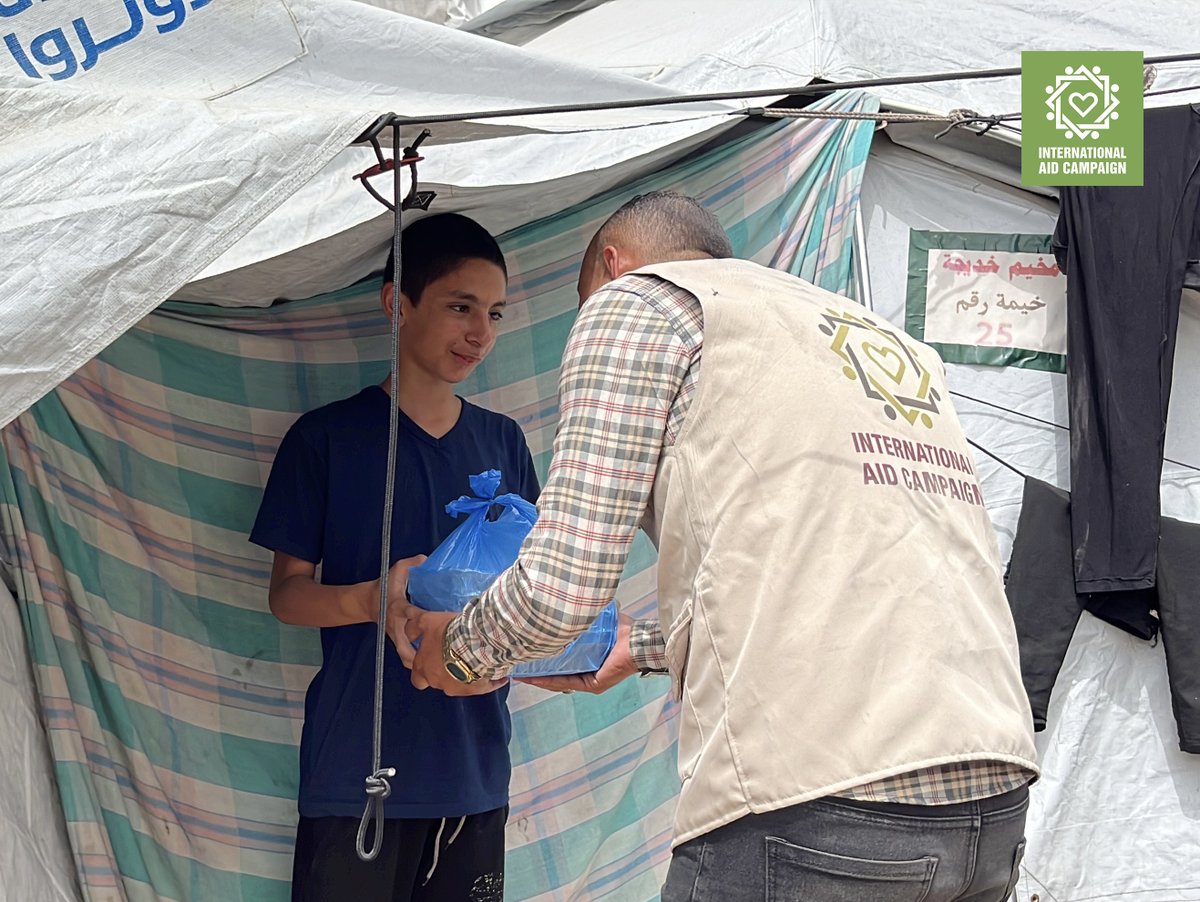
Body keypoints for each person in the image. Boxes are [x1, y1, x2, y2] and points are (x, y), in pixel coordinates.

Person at [401, 192, 1040, 901]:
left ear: (614, 266)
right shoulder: (873, 337)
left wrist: (458, 651)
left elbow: (560, 592)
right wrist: (642, 648)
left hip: (820, 806)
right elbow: (832, 578)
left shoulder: (637, 304)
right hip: (993, 796)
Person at [250, 213, 538, 902]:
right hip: (356, 773)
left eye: (494, 313)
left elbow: (533, 590)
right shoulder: (326, 440)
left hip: (473, 769)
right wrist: (372, 600)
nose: (480, 333)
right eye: (459, 306)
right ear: (396, 304)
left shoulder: (504, 444)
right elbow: (286, 595)